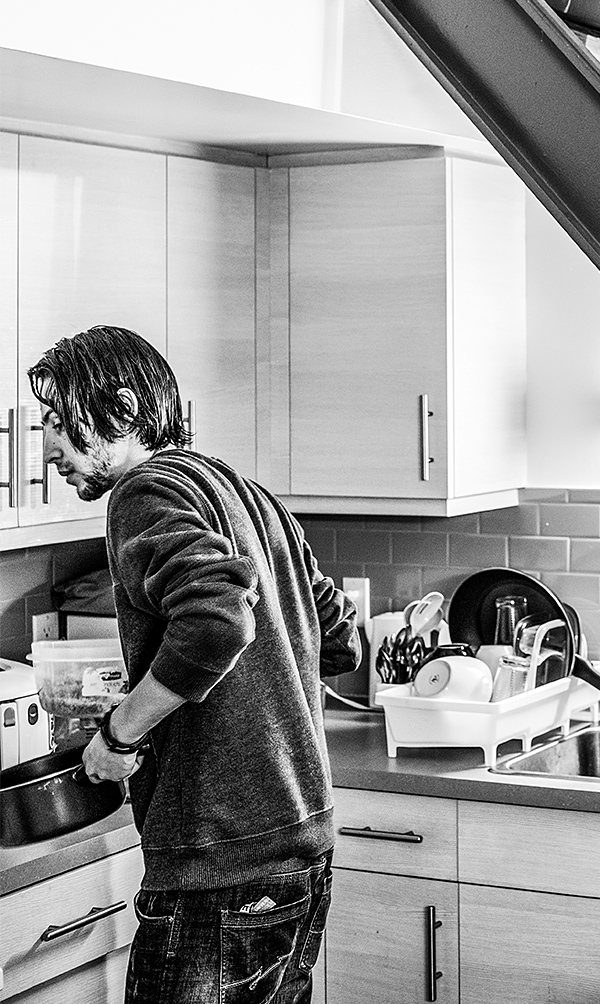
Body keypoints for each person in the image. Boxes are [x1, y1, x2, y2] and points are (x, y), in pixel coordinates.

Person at [29, 325, 359, 1004]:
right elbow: (339, 639)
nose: (50, 445)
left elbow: (216, 619)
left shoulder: (142, 492)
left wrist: (121, 732)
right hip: (302, 847)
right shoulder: (249, 493)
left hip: (219, 857)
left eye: (61, 421)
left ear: (121, 408)